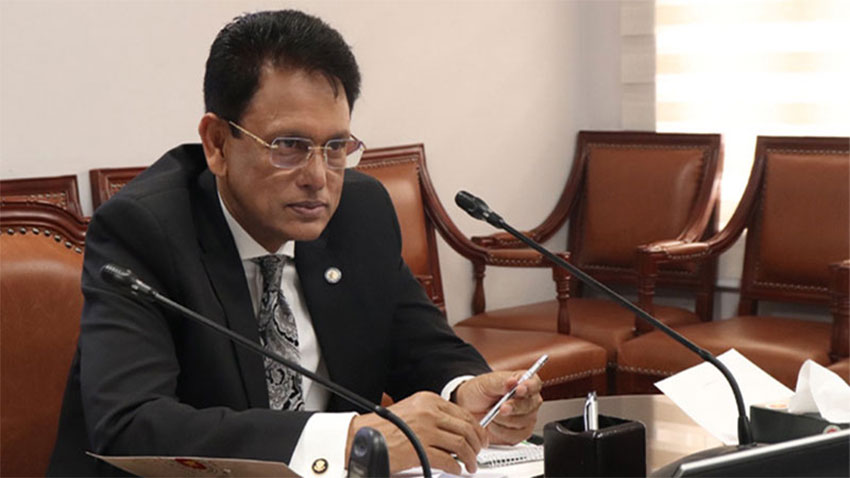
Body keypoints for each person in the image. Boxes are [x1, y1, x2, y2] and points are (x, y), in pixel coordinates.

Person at [48, 10, 542, 477]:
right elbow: (131, 426)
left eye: (335, 147)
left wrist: (464, 391)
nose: (318, 178)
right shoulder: (144, 230)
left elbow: (417, 344)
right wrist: (349, 439)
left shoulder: (360, 212)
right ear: (217, 143)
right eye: (288, 146)